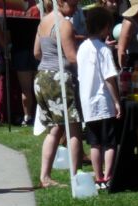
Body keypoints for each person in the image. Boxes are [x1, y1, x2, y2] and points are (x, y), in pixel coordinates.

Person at [34, 0, 83, 188]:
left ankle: (44, 176)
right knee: (74, 127)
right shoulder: (64, 24)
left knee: (54, 129)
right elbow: (72, 57)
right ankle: (75, 175)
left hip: (42, 77)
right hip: (59, 78)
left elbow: (37, 52)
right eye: (73, 4)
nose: (76, 8)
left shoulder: (43, 22)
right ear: (61, 2)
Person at [76, 4, 118, 186]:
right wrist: (117, 101)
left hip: (87, 101)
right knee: (109, 142)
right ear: (104, 27)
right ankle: (108, 175)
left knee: (94, 143)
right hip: (103, 101)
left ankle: (98, 175)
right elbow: (109, 78)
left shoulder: (82, 48)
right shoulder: (104, 50)